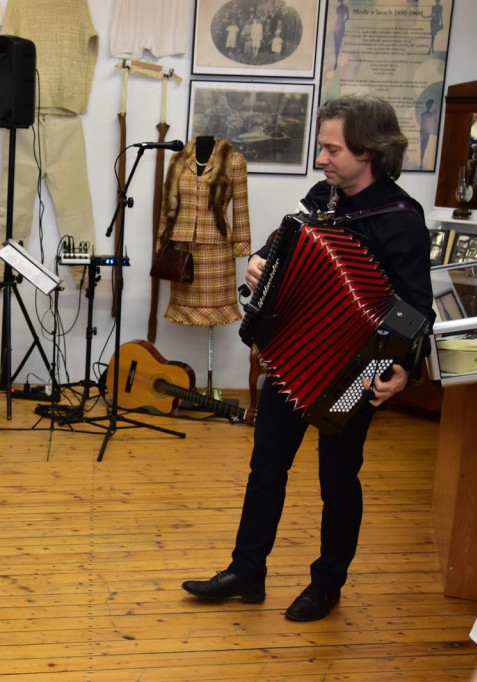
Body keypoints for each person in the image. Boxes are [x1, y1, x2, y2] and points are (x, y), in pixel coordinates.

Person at [182, 94, 434, 622]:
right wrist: (258, 264)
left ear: (368, 151)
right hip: (292, 356)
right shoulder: (323, 196)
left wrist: (404, 370)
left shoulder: (401, 220)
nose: (321, 158)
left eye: (331, 148)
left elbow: (416, 312)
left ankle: (327, 584)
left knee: (338, 479)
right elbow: (283, 249)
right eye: (322, 147)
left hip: (356, 370)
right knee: (266, 466)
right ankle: (247, 571)